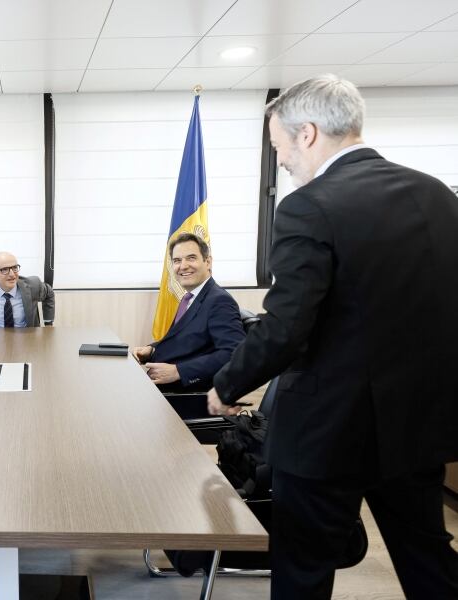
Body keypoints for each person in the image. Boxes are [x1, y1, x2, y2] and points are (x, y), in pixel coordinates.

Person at [206, 74, 458, 599]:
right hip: (417, 423)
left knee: (302, 572)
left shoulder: (309, 205)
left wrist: (227, 384)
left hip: (328, 432)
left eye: (278, 145)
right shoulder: (436, 195)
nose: (280, 160)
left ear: (308, 134)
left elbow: (287, 326)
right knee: (428, 562)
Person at [132, 233, 245, 392]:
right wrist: (152, 350)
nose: (183, 266)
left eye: (191, 258)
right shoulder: (189, 297)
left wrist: (179, 371)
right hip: (162, 388)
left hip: (186, 395)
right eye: (177, 260)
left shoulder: (219, 301)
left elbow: (235, 354)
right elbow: (185, 341)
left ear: (208, 262)